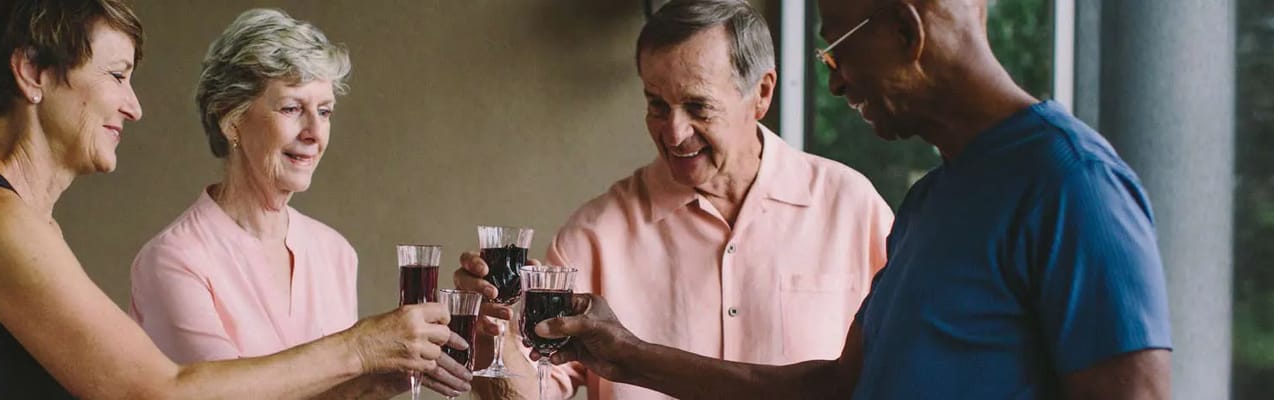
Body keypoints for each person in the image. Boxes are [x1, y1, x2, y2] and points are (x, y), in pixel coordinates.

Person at [530, 0, 1173, 398]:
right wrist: (625, 354)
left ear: (905, 28)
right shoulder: (929, 202)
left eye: (836, 47)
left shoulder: (1072, 183)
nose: (833, 81)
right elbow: (837, 389)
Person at [0, 1, 463, 398]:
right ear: (32, 72)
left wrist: (372, 376)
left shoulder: (20, 224)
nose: (134, 106)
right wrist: (361, 349)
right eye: (116, 75)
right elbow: (159, 391)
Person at [454, 1, 893, 398]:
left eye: (698, 107)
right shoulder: (593, 236)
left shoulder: (852, 208)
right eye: (657, 105)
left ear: (761, 94)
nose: (674, 133)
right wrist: (495, 332)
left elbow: (899, 370)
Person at [128, 8, 470, 399]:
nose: (313, 132)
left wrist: (379, 380)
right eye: (292, 108)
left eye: (324, 112)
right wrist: (362, 349)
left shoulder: (335, 251)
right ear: (230, 119)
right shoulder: (174, 260)